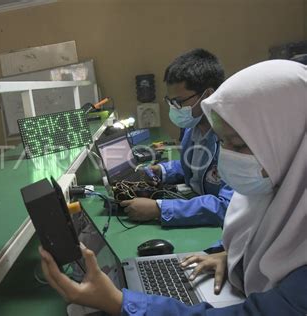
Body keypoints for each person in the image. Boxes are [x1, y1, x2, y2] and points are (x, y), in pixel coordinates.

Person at [39, 60, 307, 315]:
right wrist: (232, 255)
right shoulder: (277, 189)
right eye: (223, 142)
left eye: (237, 144)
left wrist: (120, 303)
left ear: (289, 140)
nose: (226, 155)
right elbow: (198, 171)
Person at [122, 49, 233, 227]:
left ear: (208, 95)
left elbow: (227, 206)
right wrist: (162, 170)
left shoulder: (233, 140)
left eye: (179, 101)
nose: (174, 108)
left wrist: (159, 209)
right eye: (170, 101)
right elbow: (196, 167)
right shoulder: (192, 129)